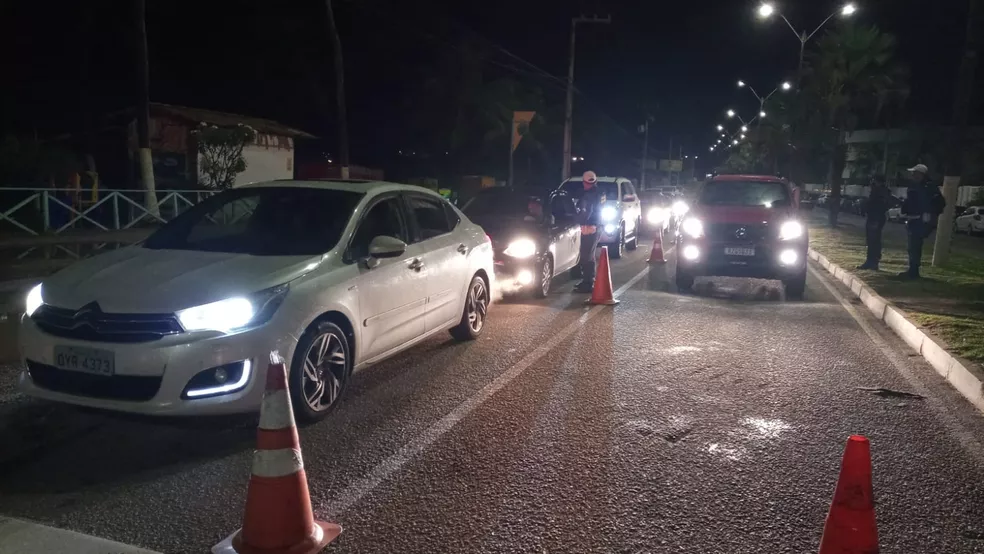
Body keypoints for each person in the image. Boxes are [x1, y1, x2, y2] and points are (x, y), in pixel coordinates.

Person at [898, 164, 944, 279]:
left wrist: (929, 214)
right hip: (912, 219)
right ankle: (912, 270)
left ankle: (914, 272)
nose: (912, 175)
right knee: (912, 247)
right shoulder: (915, 186)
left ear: (921, 174)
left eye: (915, 173)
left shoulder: (929, 187)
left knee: (915, 246)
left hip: (921, 220)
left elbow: (939, 203)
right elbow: (910, 202)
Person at [574, 170, 604, 293]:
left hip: (590, 227)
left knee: (587, 255)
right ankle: (587, 280)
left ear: (584, 182)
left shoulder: (589, 195)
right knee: (588, 254)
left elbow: (587, 212)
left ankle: (588, 283)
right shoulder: (600, 193)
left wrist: (578, 221)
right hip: (596, 226)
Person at [857, 174, 890, 270]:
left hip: (876, 218)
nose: (872, 182)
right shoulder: (876, 191)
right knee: (871, 240)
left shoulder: (881, 191)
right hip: (873, 217)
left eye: (873, 180)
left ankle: (872, 262)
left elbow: (879, 205)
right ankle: (871, 261)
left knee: (873, 240)